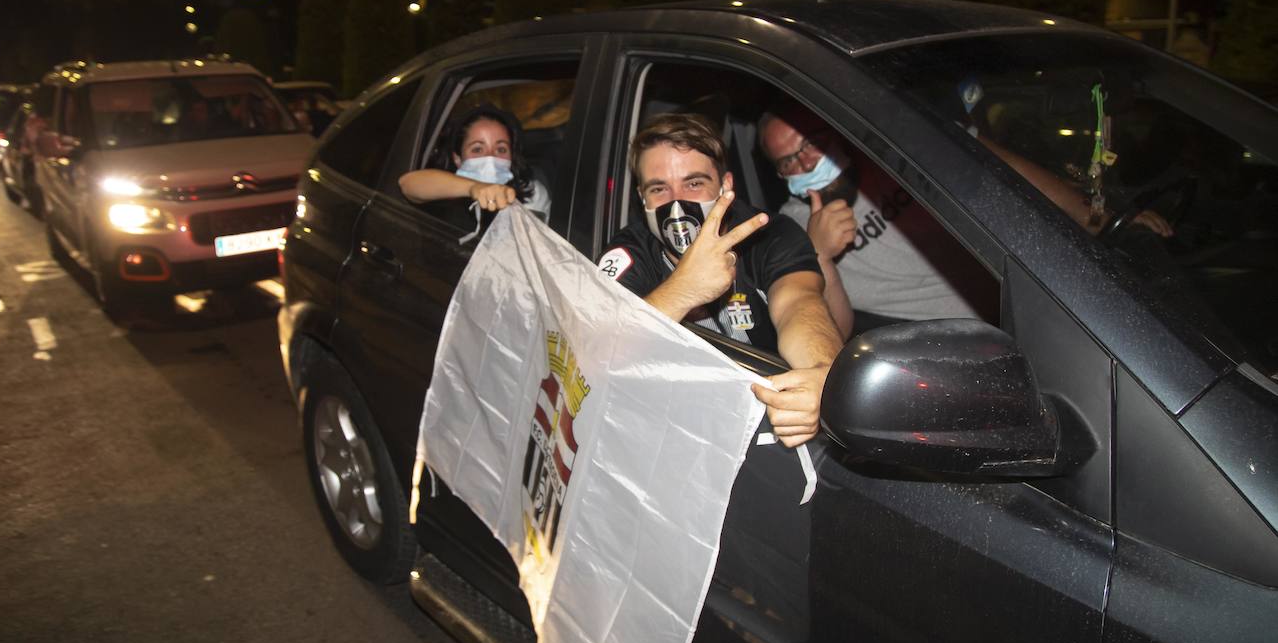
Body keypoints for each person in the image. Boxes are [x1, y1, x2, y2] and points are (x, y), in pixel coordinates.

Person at [758, 107, 1174, 329]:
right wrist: (821, 256)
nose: (805, 162)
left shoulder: (898, 152)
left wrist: (1098, 220)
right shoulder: (793, 226)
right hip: (975, 349)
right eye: (788, 162)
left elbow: (1005, 171)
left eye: (811, 143)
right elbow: (832, 332)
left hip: (1052, 303)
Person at [598, 113, 844, 449]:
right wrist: (682, 290)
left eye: (694, 183)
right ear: (642, 198)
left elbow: (799, 304)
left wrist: (823, 374)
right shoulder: (628, 254)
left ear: (726, 185)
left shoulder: (766, 232)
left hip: (763, 425)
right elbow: (598, 354)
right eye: (659, 189)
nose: (676, 202)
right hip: (674, 432)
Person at [399, 104, 551, 221]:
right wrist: (474, 188)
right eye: (478, 149)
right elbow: (408, 184)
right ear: (458, 159)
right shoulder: (443, 191)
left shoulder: (531, 193)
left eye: (501, 149)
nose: (491, 158)